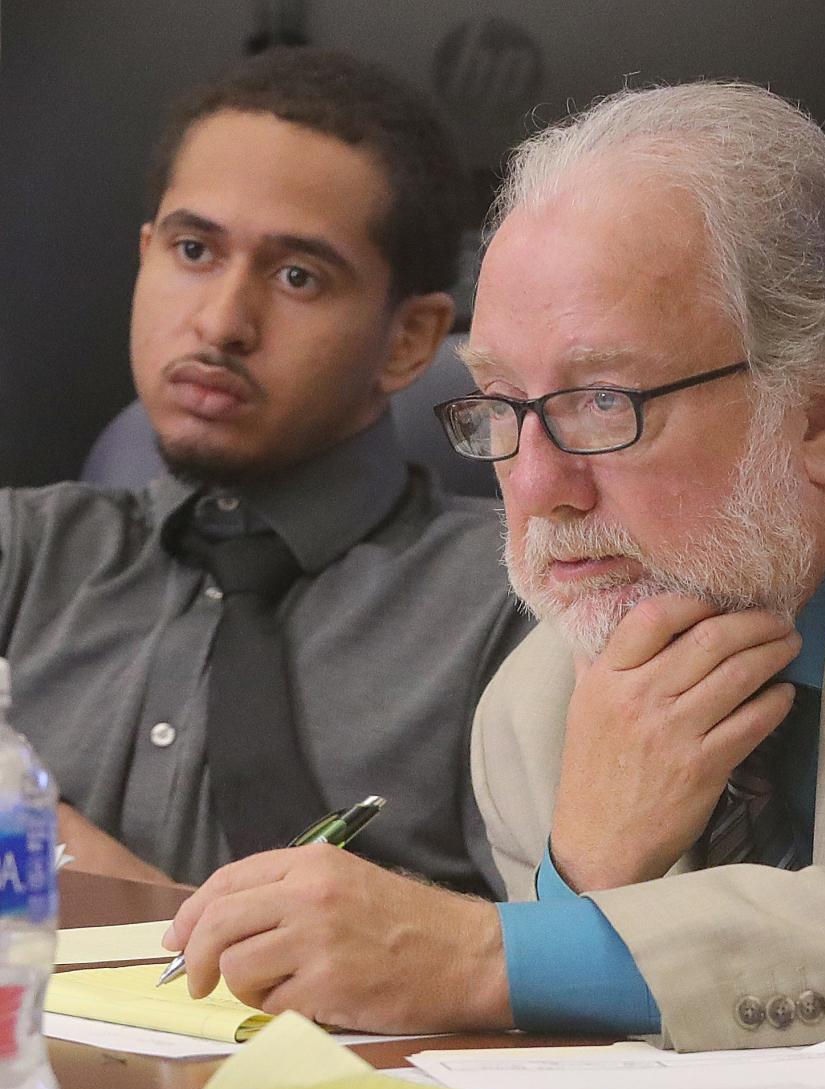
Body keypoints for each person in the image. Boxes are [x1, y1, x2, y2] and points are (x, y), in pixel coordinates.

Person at [163, 82, 825, 1048]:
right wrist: (582, 870)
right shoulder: (541, 710)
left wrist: (490, 954)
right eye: (499, 404)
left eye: (602, 403)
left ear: (820, 419)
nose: (540, 487)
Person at [0, 47, 530, 894]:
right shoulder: (20, 553)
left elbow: (547, 958)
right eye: (193, 250)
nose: (220, 323)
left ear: (409, 341)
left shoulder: (509, 610)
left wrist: (35, 836)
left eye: (297, 276)